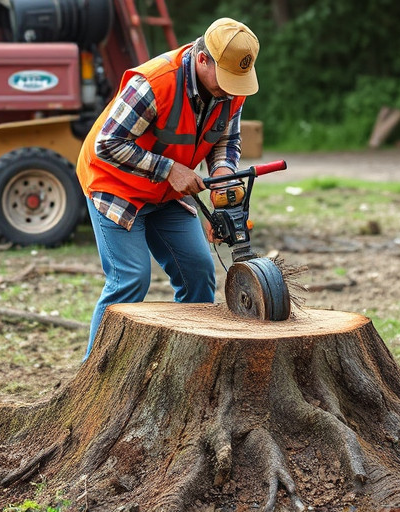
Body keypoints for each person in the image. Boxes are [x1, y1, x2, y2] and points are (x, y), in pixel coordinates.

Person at [76, 17, 260, 360]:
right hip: (117, 184)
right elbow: (108, 143)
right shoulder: (154, 83)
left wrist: (223, 170)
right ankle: (94, 376)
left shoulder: (231, 89)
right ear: (202, 58)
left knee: (198, 273)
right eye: (225, 80)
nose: (231, 90)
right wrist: (169, 168)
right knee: (130, 279)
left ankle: (186, 368)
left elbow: (227, 138)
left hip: (166, 191)